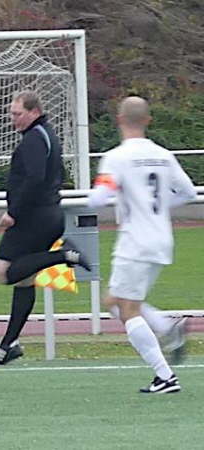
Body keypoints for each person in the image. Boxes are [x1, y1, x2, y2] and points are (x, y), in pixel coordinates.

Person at [88, 96, 196, 394]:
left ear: (119, 120)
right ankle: (166, 328)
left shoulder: (117, 157)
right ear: (148, 120)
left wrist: (101, 196)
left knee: (125, 308)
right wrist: (158, 210)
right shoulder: (163, 154)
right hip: (161, 239)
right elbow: (187, 192)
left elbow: (98, 198)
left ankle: (165, 376)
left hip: (135, 240)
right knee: (114, 301)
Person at [0, 91, 91, 366]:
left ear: (33, 112)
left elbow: (35, 178)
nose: (13, 120)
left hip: (35, 218)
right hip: (46, 216)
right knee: (24, 280)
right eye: (11, 114)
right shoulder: (45, 134)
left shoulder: (35, 138)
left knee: (4, 273)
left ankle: (64, 256)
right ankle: (9, 344)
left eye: (17, 114)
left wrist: (13, 212)